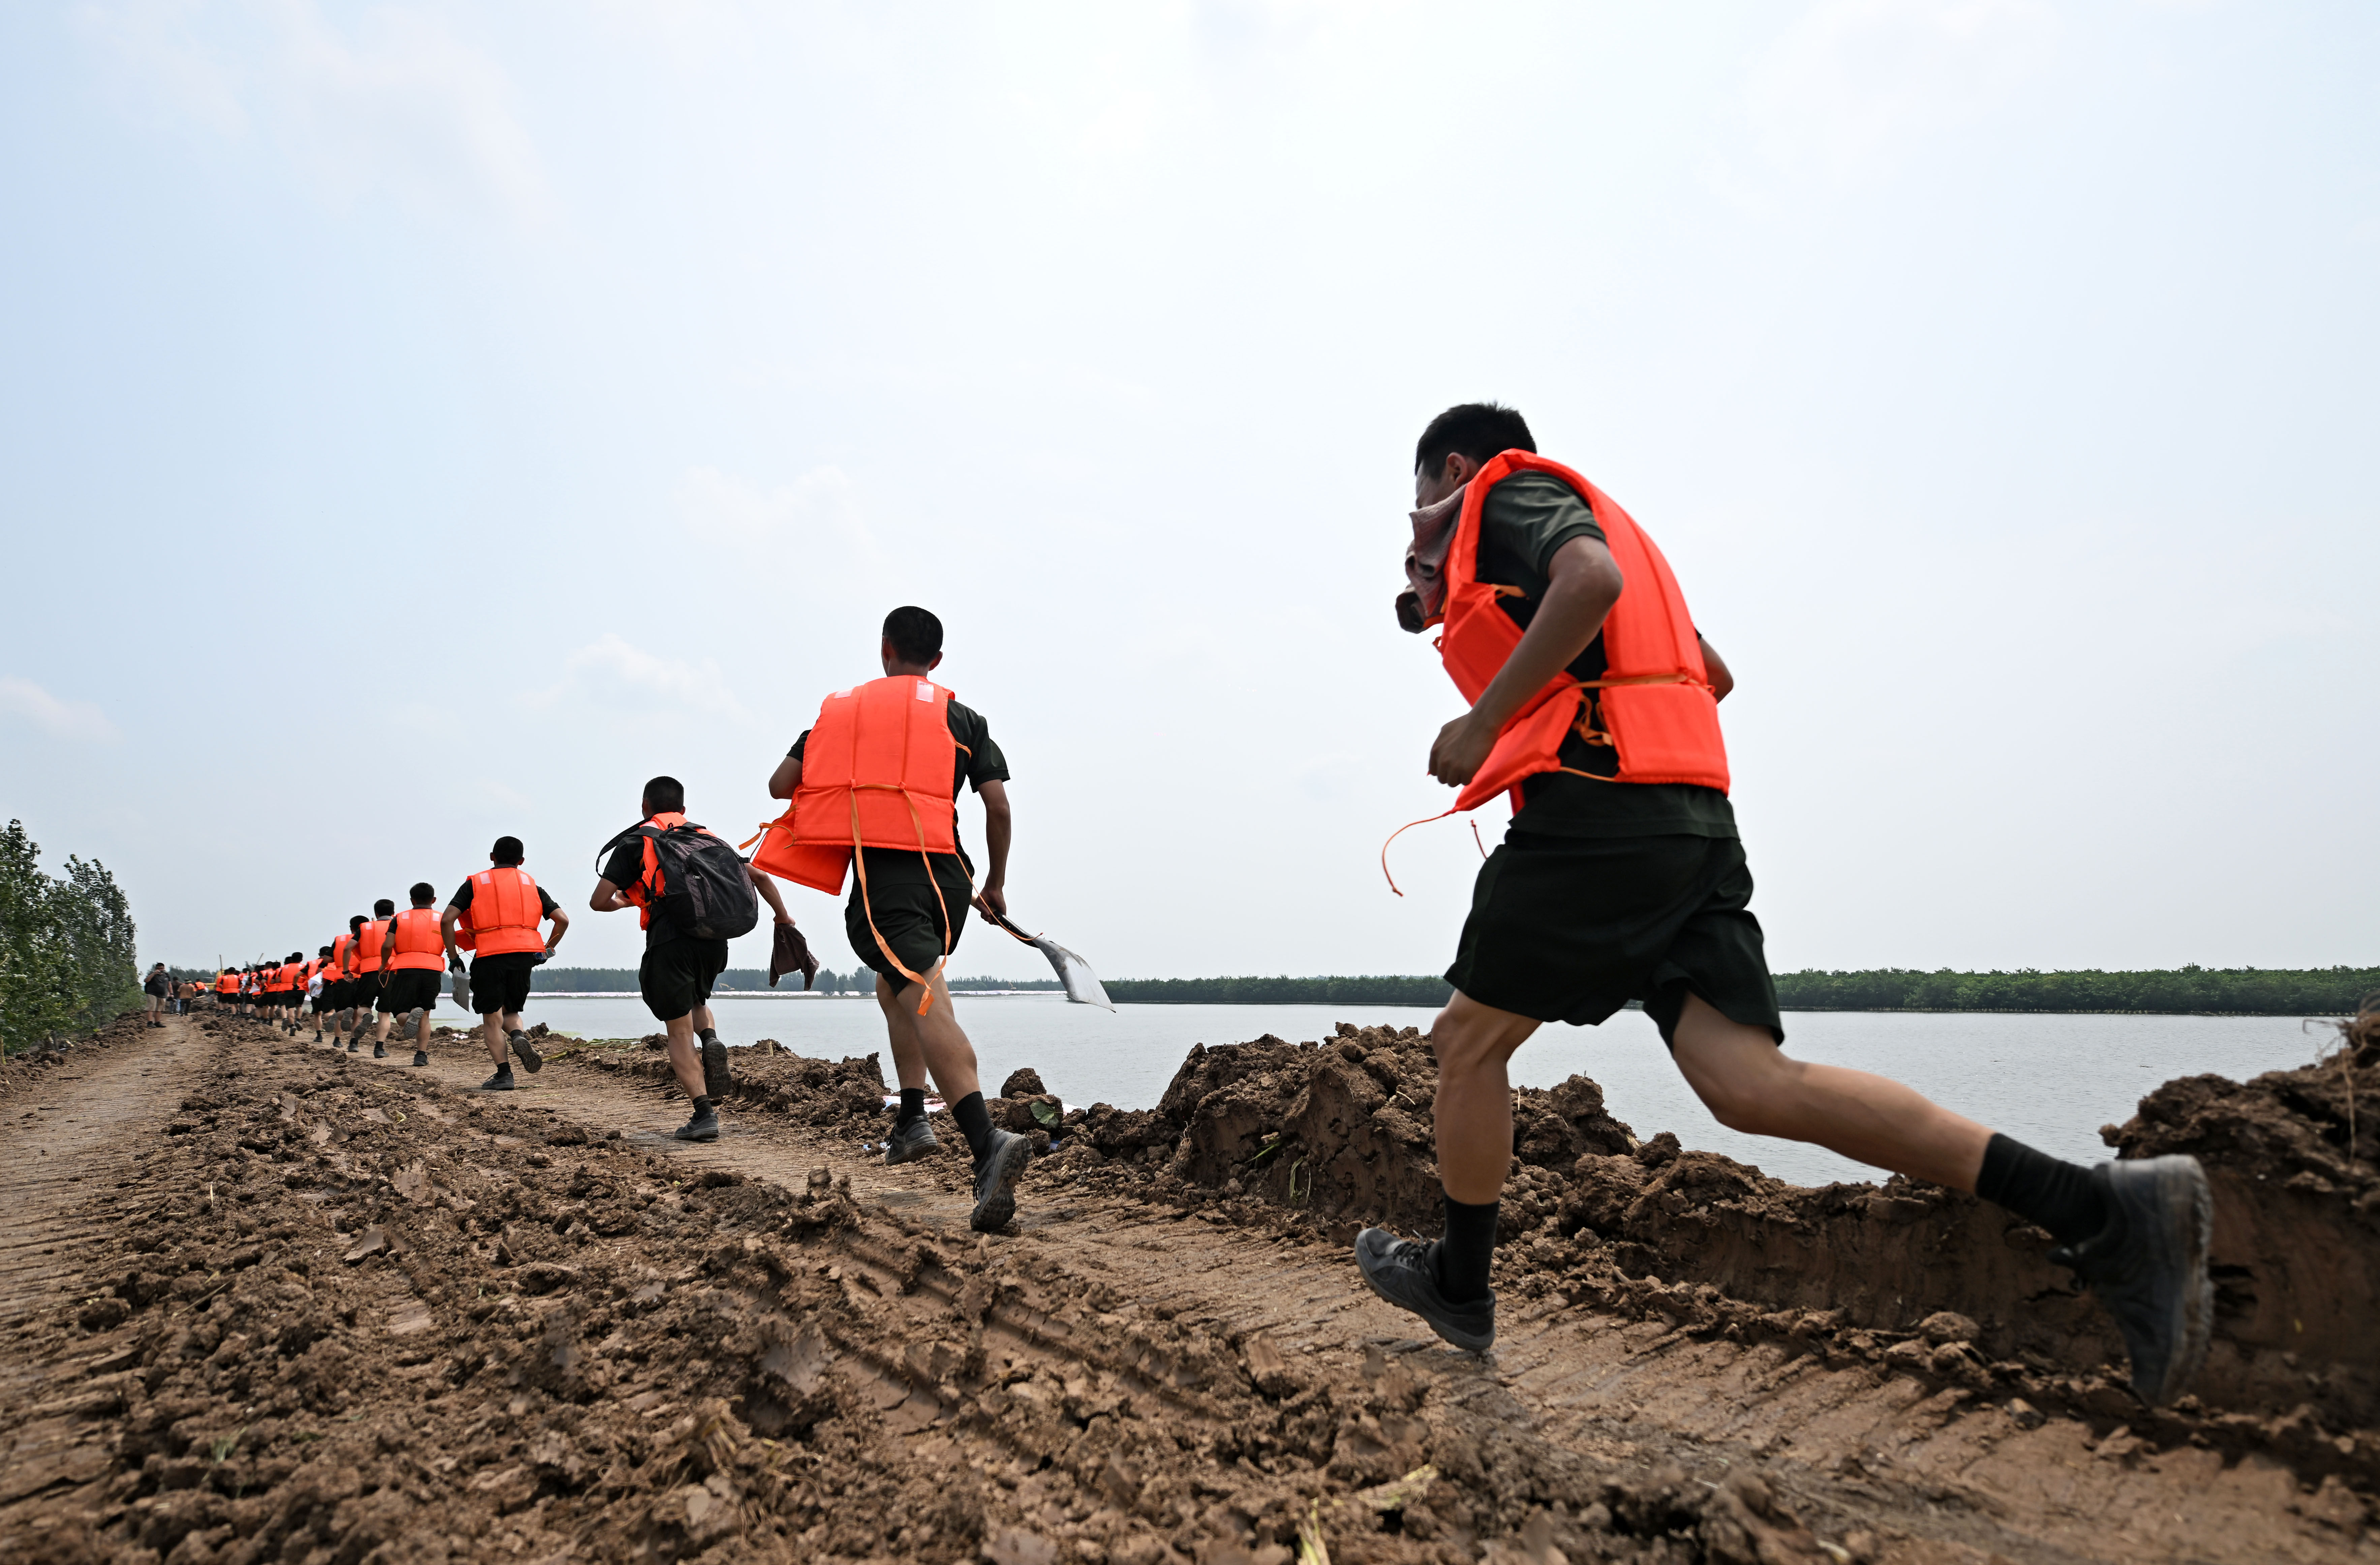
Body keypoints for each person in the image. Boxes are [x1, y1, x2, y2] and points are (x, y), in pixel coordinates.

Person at [1355, 403, 2214, 1406]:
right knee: (1750, 1085)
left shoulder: (1509, 495)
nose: (1420, 519)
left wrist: (1487, 717)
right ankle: (2100, 1209)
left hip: (1602, 814)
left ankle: (1457, 1286)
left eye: (1419, 493)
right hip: (1691, 819)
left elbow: (1589, 585)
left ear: (1448, 466)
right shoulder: (1605, 522)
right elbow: (1709, 673)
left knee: (1466, 1043)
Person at [757, 605, 1032, 1231]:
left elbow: (780, 785)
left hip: (889, 881)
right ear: (936, 660)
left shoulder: (841, 717)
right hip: (950, 880)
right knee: (896, 987)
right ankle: (911, 1117)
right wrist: (994, 882)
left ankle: (986, 1142)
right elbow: (998, 805)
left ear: (884, 650)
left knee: (924, 993)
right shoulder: (963, 718)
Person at [590, 776, 797, 1140]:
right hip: (714, 940)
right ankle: (712, 1037)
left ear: (644, 807)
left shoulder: (636, 842)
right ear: (683, 810)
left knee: (677, 1031)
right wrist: (783, 917)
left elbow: (598, 901)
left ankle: (704, 1116)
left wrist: (626, 901)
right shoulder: (711, 838)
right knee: (698, 1000)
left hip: (670, 940)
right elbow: (761, 878)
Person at [440, 835, 572, 1092]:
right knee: (511, 1011)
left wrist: (453, 956)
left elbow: (447, 920)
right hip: (525, 955)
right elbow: (563, 920)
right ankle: (518, 1035)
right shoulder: (531, 885)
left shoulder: (476, 883)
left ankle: (504, 1074)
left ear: (492, 857)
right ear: (521, 861)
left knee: (492, 1018)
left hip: (490, 955)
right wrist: (548, 948)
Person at [367, 884, 446, 1065]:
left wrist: (384, 964)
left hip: (405, 969)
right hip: (433, 969)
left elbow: (387, 945)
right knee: (425, 1015)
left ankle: (409, 1017)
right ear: (434, 900)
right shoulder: (442, 919)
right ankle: (421, 1056)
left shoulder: (400, 918)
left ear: (412, 900)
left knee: (401, 1013)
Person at [143, 964, 170, 1028]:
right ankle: (150, 1023)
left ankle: (157, 1022)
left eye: (162, 969)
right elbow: (146, 981)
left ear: (164, 968)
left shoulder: (167, 975)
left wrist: (171, 993)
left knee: (159, 1009)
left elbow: (169, 985)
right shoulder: (152, 974)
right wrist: (154, 974)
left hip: (162, 994)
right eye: (158, 968)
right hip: (152, 993)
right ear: (156, 969)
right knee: (151, 1007)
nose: (160, 970)